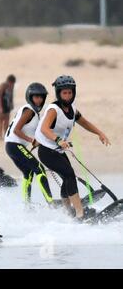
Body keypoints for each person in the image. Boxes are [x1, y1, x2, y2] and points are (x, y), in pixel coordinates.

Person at [34, 75, 110, 220]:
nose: (68, 96)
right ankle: (80, 213)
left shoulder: (72, 109)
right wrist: (57, 139)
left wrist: (99, 133)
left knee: (67, 177)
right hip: (46, 150)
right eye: (64, 93)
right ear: (58, 93)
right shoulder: (53, 109)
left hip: (57, 150)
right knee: (69, 175)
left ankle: (68, 211)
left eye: (70, 93)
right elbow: (44, 128)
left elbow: (85, 123)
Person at [5, 82, 55, 204]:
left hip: (13, 146)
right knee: (39, 169)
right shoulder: (29, 111)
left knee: (28, 173)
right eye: (36, 97)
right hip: (14, 145)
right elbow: (16, 130)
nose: (39, 100)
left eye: (41, 97)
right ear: (30, 97)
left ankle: (27, 205)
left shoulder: (34, 113)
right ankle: (51, 202)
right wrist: (31, 140)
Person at [0, 74, 16, 140]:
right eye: (11, 83)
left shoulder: (12, 86)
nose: (12, 85)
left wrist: (12, 104)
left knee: (7, 120)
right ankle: (0, 136)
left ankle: (5, 134)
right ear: (8, 81)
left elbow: (11, 95)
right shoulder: (2, 85)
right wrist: (0, 107)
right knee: (0, 119)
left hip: (7, 103)